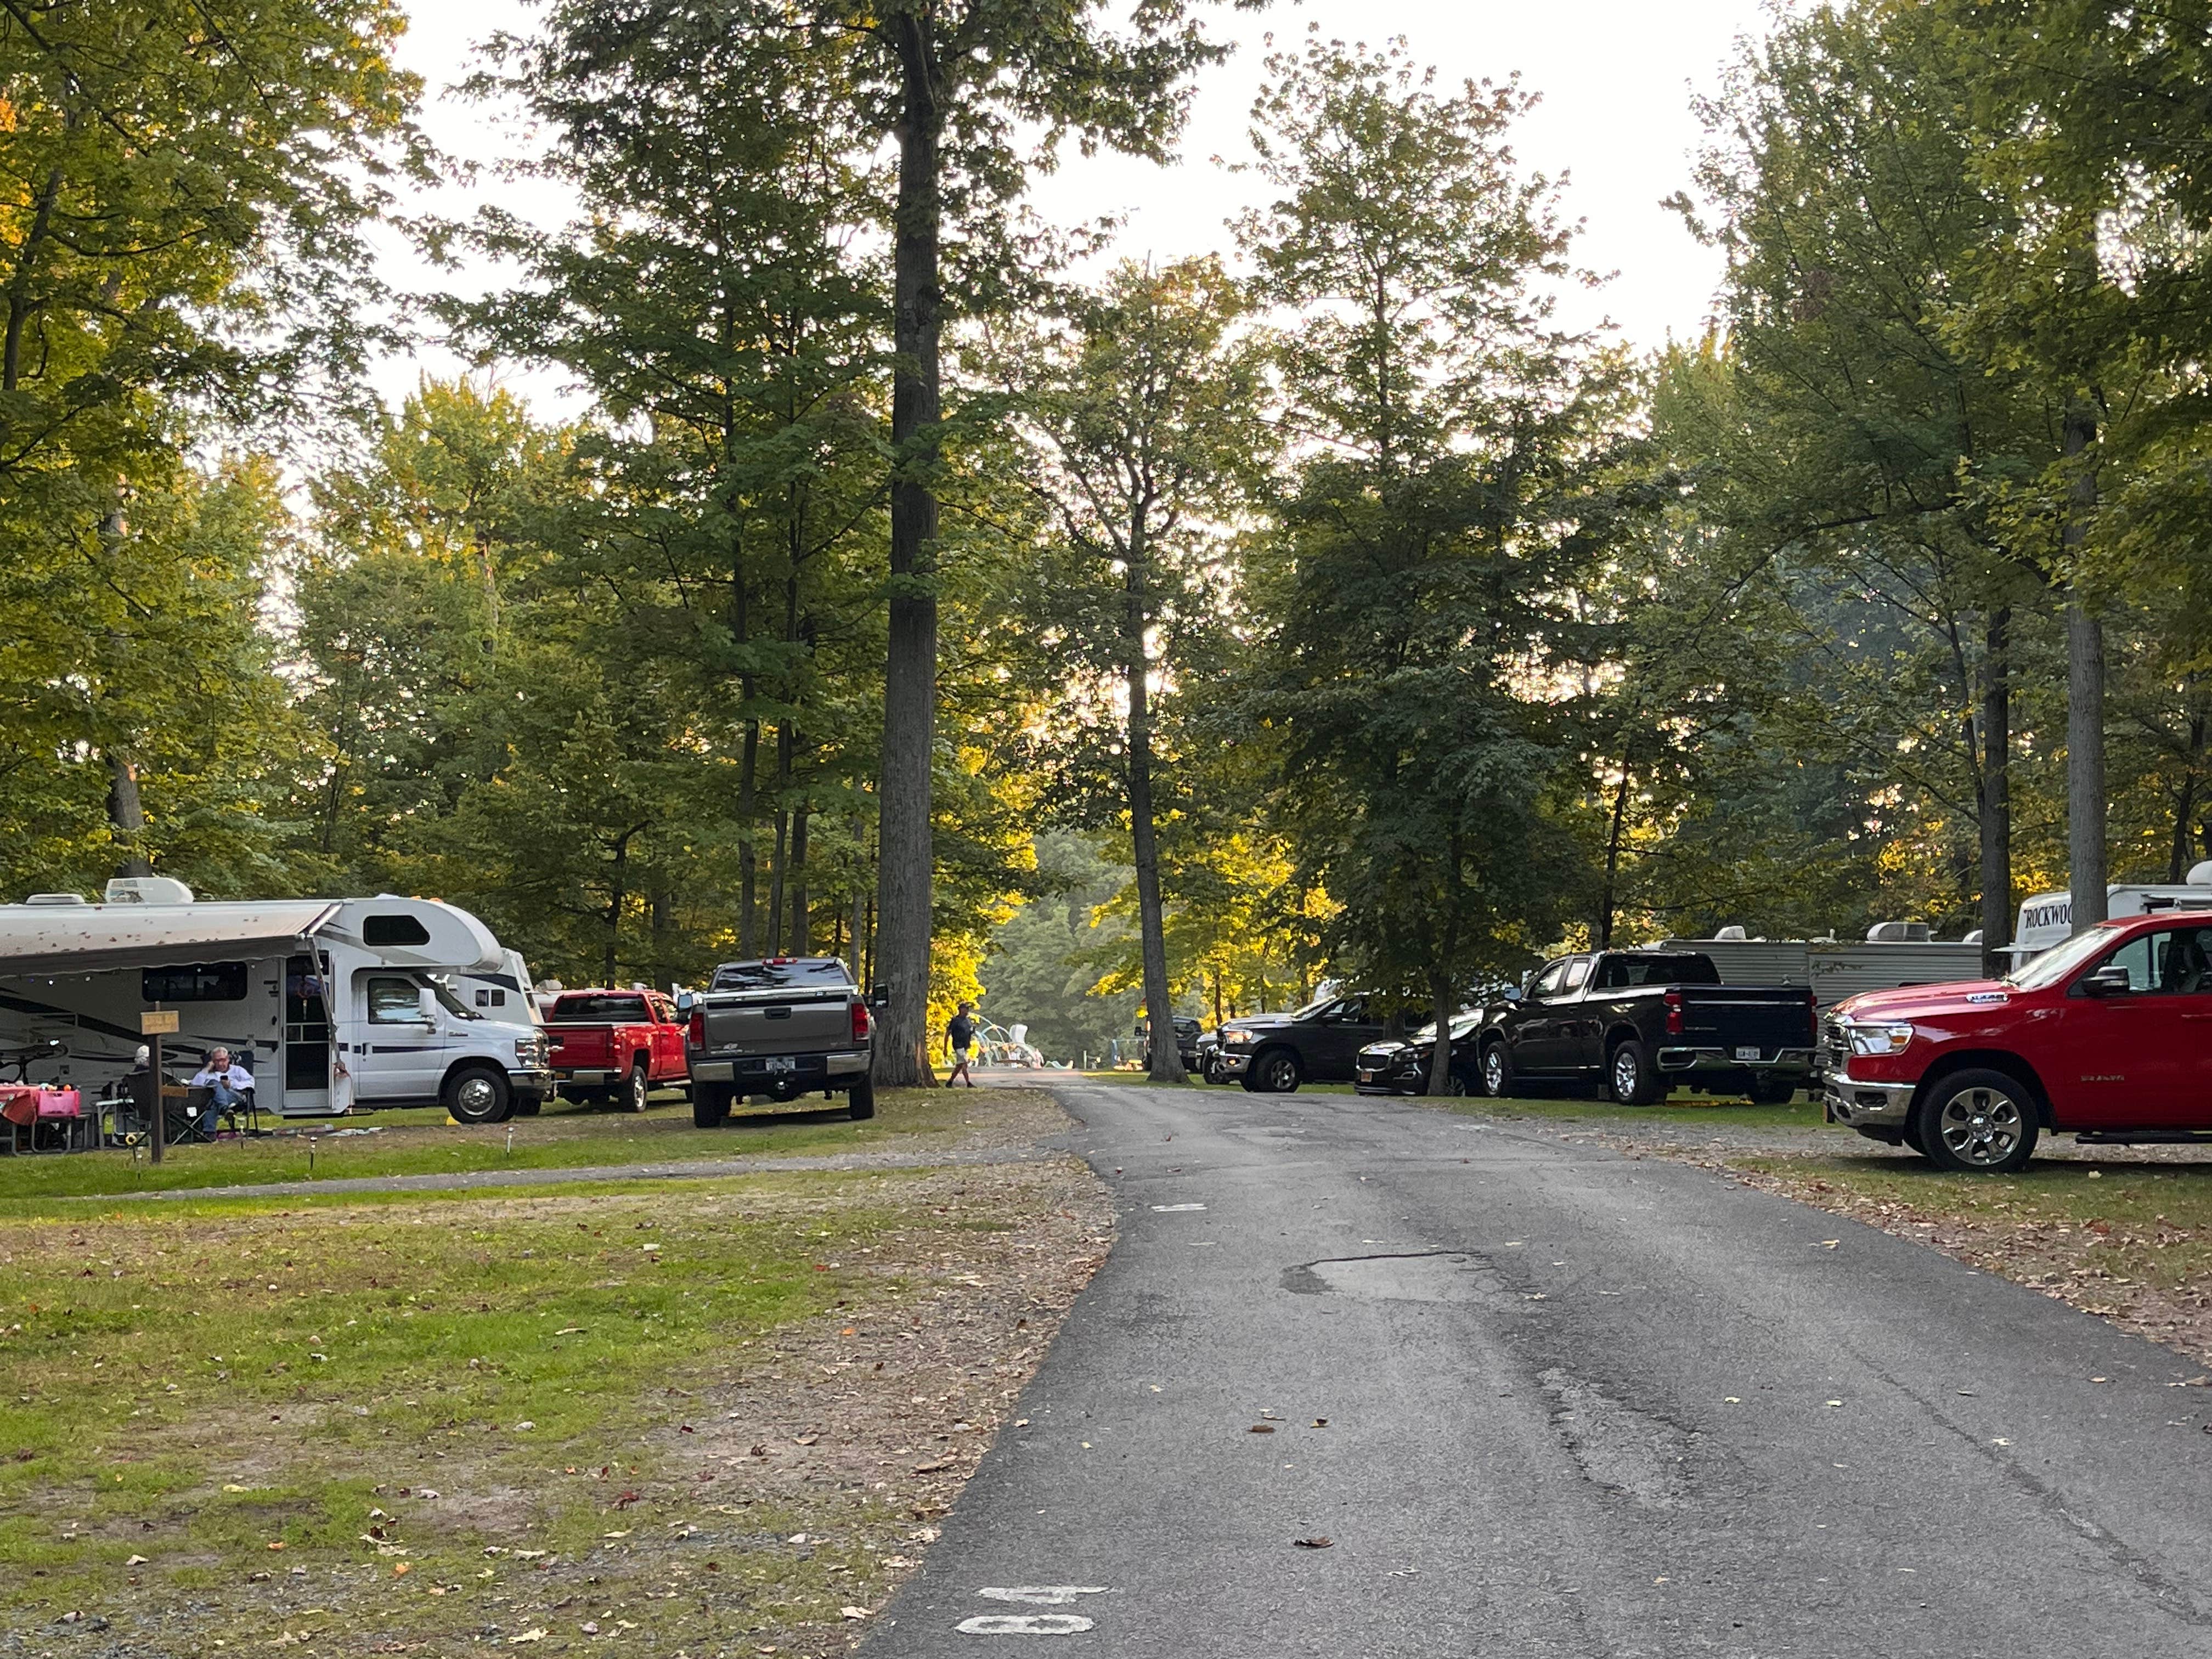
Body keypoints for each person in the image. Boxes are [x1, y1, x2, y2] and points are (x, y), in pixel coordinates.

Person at [188, 1047, 253, 1137]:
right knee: (212, 1099)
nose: (220, 1063)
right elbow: (195, 1084)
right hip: (214, 1098)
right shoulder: (208, 1073)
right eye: (217, 1061)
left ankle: (209, 1131)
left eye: (223, 1060)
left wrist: (232, 1084)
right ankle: (224, 1111)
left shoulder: (238, 1070)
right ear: (212, 1061)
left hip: (234, 1095)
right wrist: (206, 1069)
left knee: (214, 1086)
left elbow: (251, 1083)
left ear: (228, 1059)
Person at [945, 1002, 978, 1088]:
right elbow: (948, 1033)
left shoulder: (967, 1021)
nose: (967, 1011)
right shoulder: (956, 1020)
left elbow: (969, 1032)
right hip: (958, 1045)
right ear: (961, 1010)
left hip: (965, 1045)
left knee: (959, 1066)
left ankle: (950, 1082)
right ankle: (968, 1083)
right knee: (964, 1064)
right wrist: (945, 1048)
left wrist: (973, 1030)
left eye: (968, 1009)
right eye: (966, 1009)